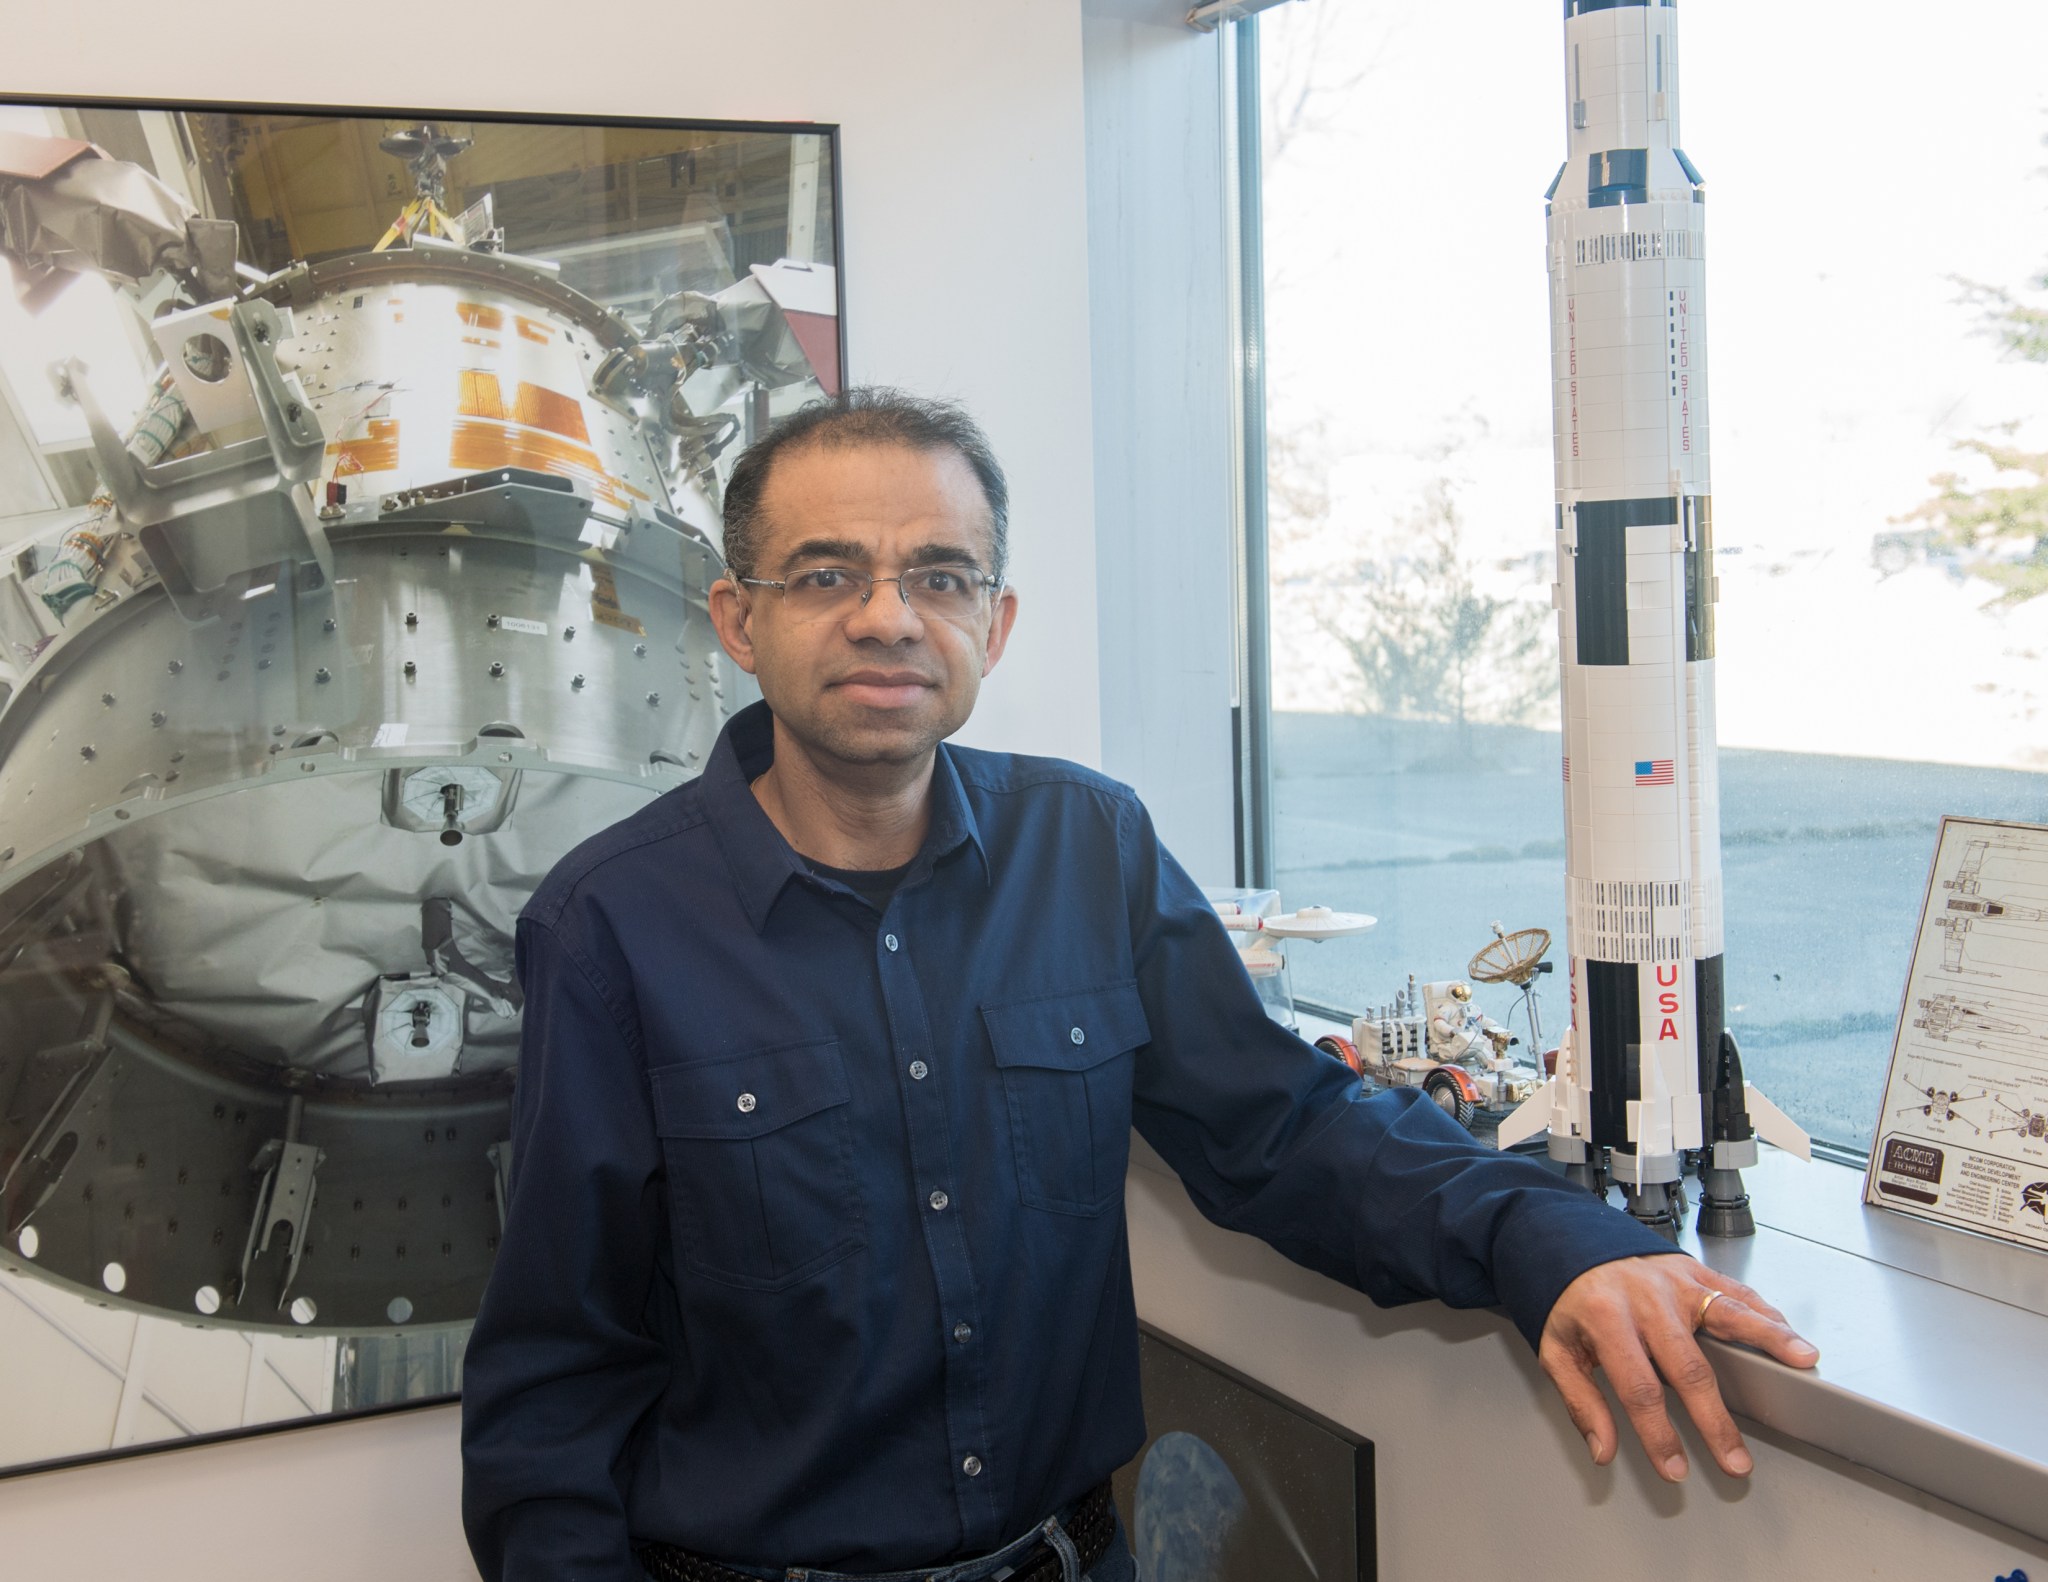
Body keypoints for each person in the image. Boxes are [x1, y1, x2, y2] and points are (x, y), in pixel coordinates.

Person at [460, 388, 1819, 1582]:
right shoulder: (611, 926)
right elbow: (553, 1387)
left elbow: (1288, 1127)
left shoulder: (1088, 847)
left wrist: (1559, 1248)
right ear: (737, 619)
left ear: (994, 622)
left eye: (939, 574)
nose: (888, 615)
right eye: (827, 574)